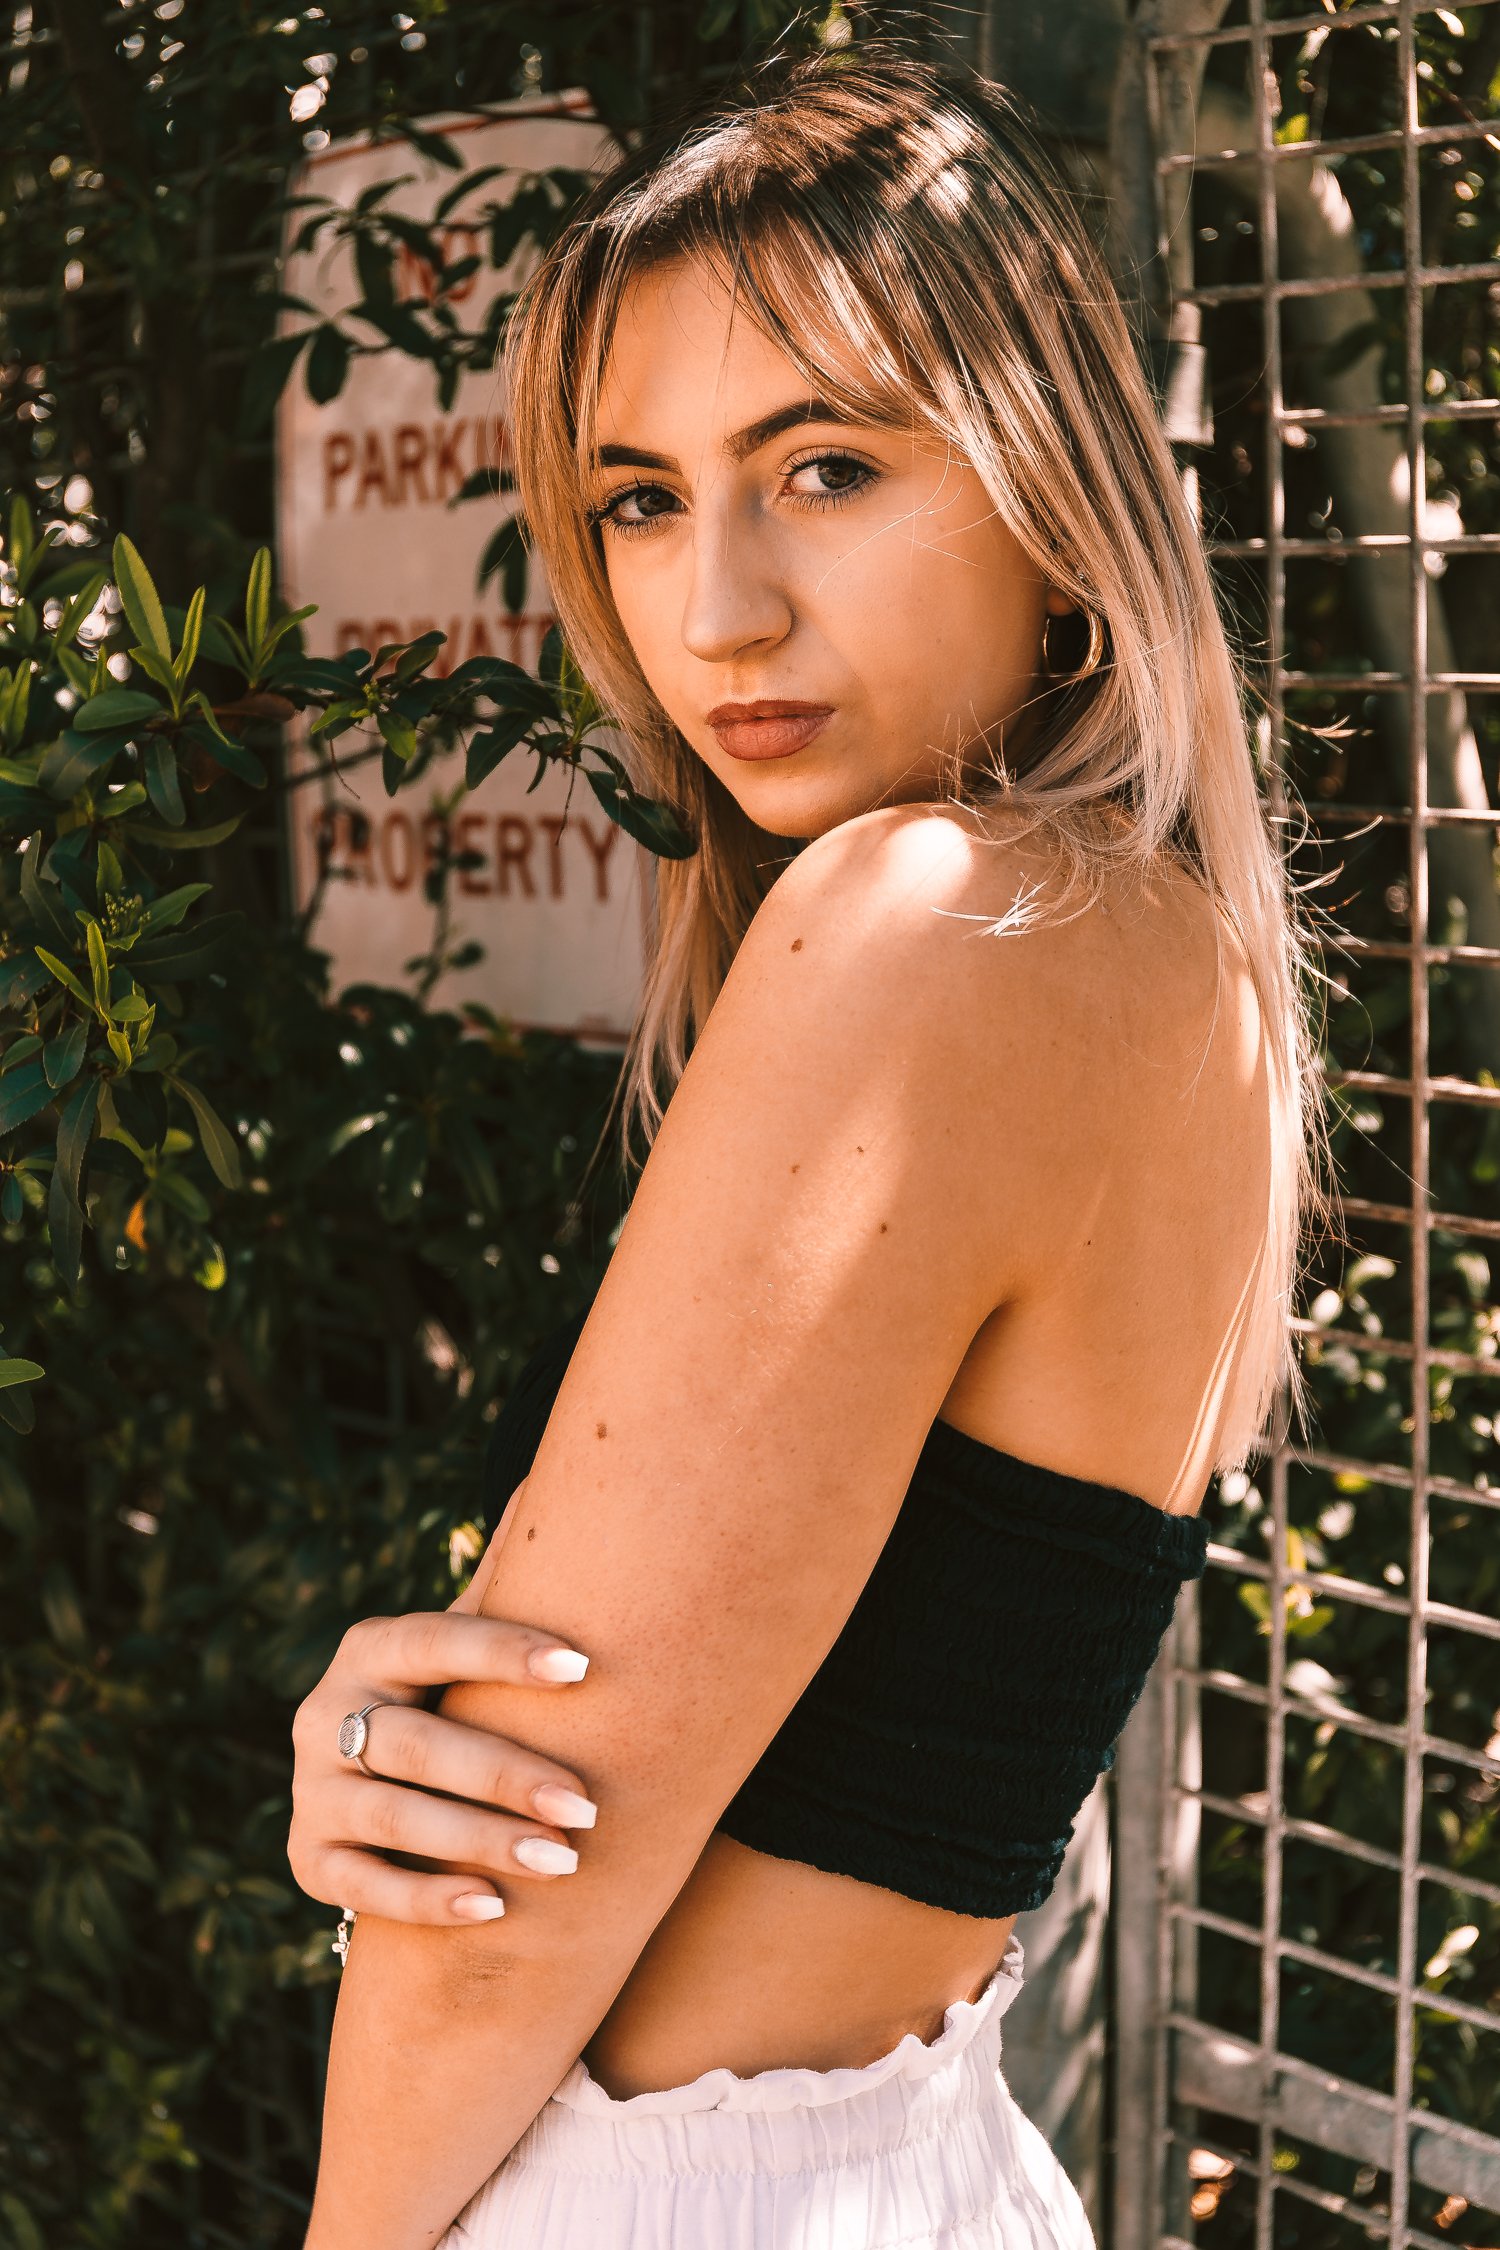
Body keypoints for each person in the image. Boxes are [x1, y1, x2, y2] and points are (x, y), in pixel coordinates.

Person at [287, 39, 1322, 2250]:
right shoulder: (1175, 962)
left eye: (825, 468)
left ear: (1058, 501)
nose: (715, 611)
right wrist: (395, 1748)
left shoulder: (930, 926)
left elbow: (523, 1881)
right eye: (642, 500)